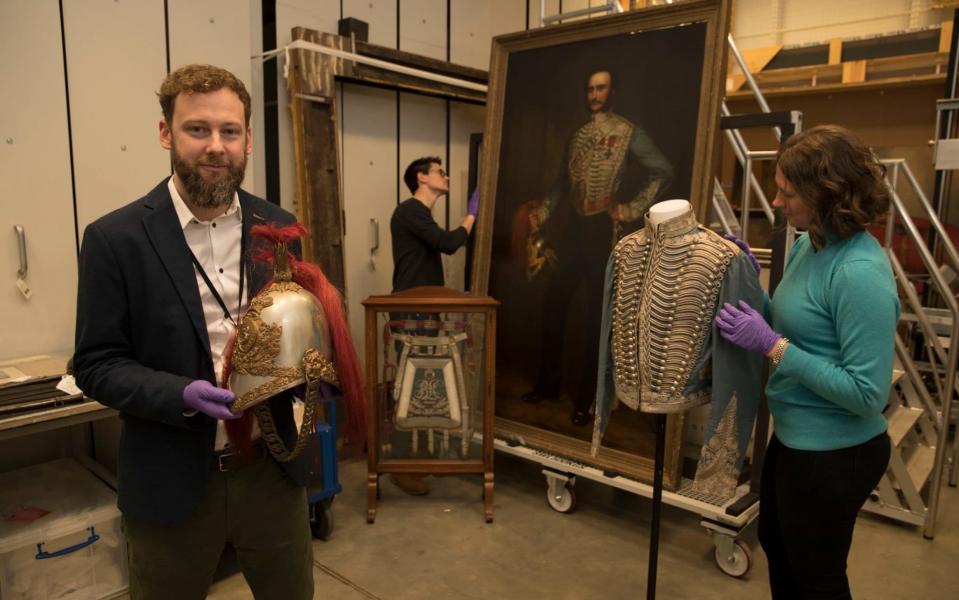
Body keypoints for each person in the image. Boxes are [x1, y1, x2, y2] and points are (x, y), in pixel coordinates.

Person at [73, 64, 314, 599]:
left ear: (248, 138)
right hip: (172, 483)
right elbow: (95, 364)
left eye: (230, 131)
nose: (215, 146)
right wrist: (178, 394)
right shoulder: (116, 239)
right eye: (197, 129)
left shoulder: (280, 229)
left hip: (271, 476)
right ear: (166, 134)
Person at [715, 125, 897, 599]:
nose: (776, 203)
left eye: (787, 192)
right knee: (779, 546)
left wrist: (773, 347)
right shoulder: (807, 243)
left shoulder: (859, 272)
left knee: (816, 578)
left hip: (838, 454)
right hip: (795, 439)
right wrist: (750, 286)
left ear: (827, 195)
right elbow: (792, 324)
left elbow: (867, 394)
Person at [522, 68, 673, 426]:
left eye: (600, 88)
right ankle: (547, 386)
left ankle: (587, 400)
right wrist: (543, 212)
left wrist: (633, 208)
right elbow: (561, 182)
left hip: (602, 230)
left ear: (612, 91)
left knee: (597, 317)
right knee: (554, 304)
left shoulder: (629, 132)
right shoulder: (577, 133)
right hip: (573, 227)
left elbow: (663, 170)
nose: (594, 94)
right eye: (590, 88)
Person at [388, 157, 479, 495]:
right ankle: (402, 465)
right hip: (411, 310)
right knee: (409, 386)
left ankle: (421, 459)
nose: (446, 176)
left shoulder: (420, 215)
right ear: (422, 177)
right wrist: (470, 217)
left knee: (426, 381)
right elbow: (449, 243)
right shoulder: (410, 210)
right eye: (440, 171)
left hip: (422, 310)